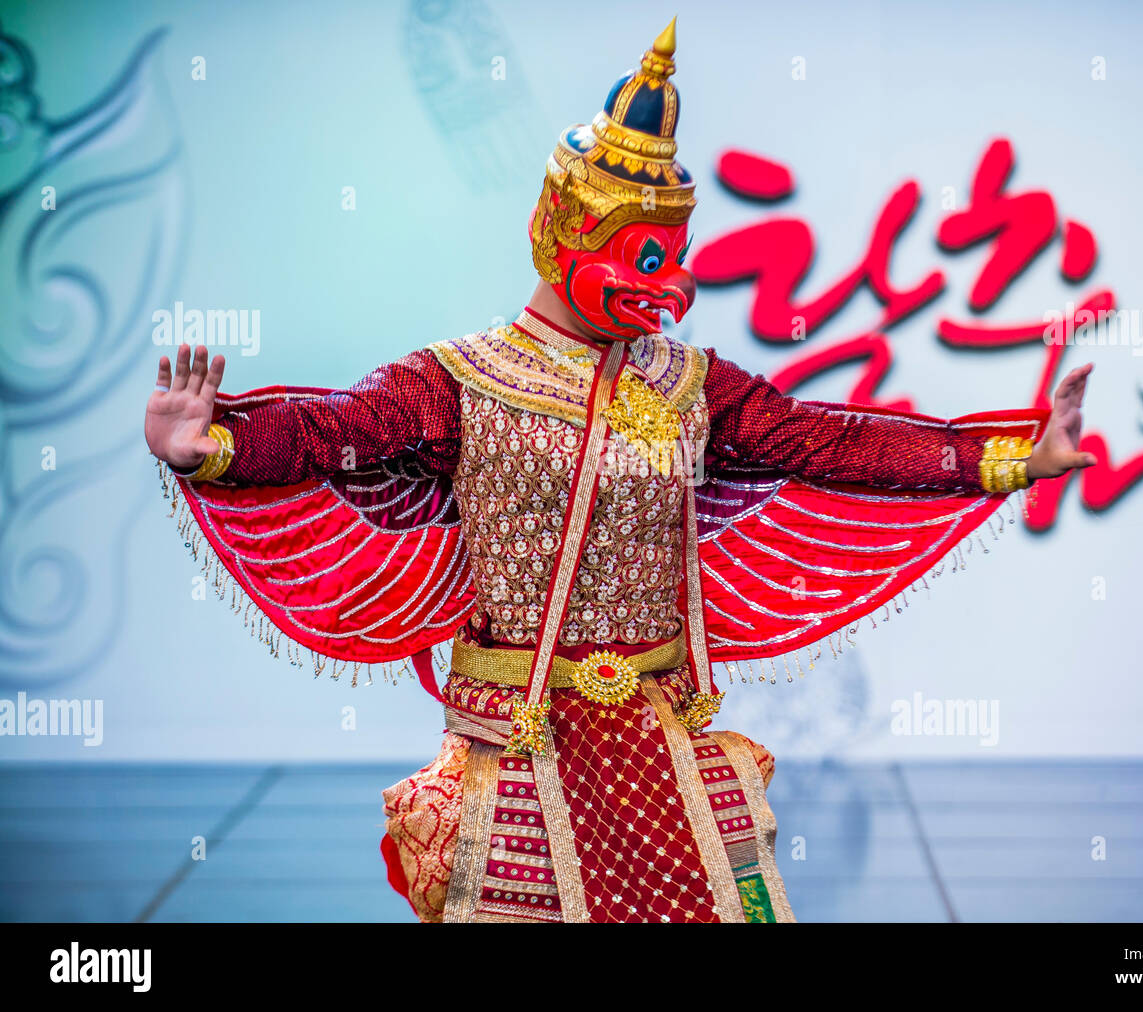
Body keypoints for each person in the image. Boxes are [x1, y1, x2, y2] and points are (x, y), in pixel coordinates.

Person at [144, 19, 1094, 923]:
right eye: (646, 253)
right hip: (515, 733)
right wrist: (219, 443)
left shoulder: (689, 382)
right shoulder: (462, 378)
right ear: (561, 227)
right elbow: (334, 430)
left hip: (658, 730)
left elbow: (829, 442)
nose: (671, 281)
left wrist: (1004, 457)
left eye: (677, 255)